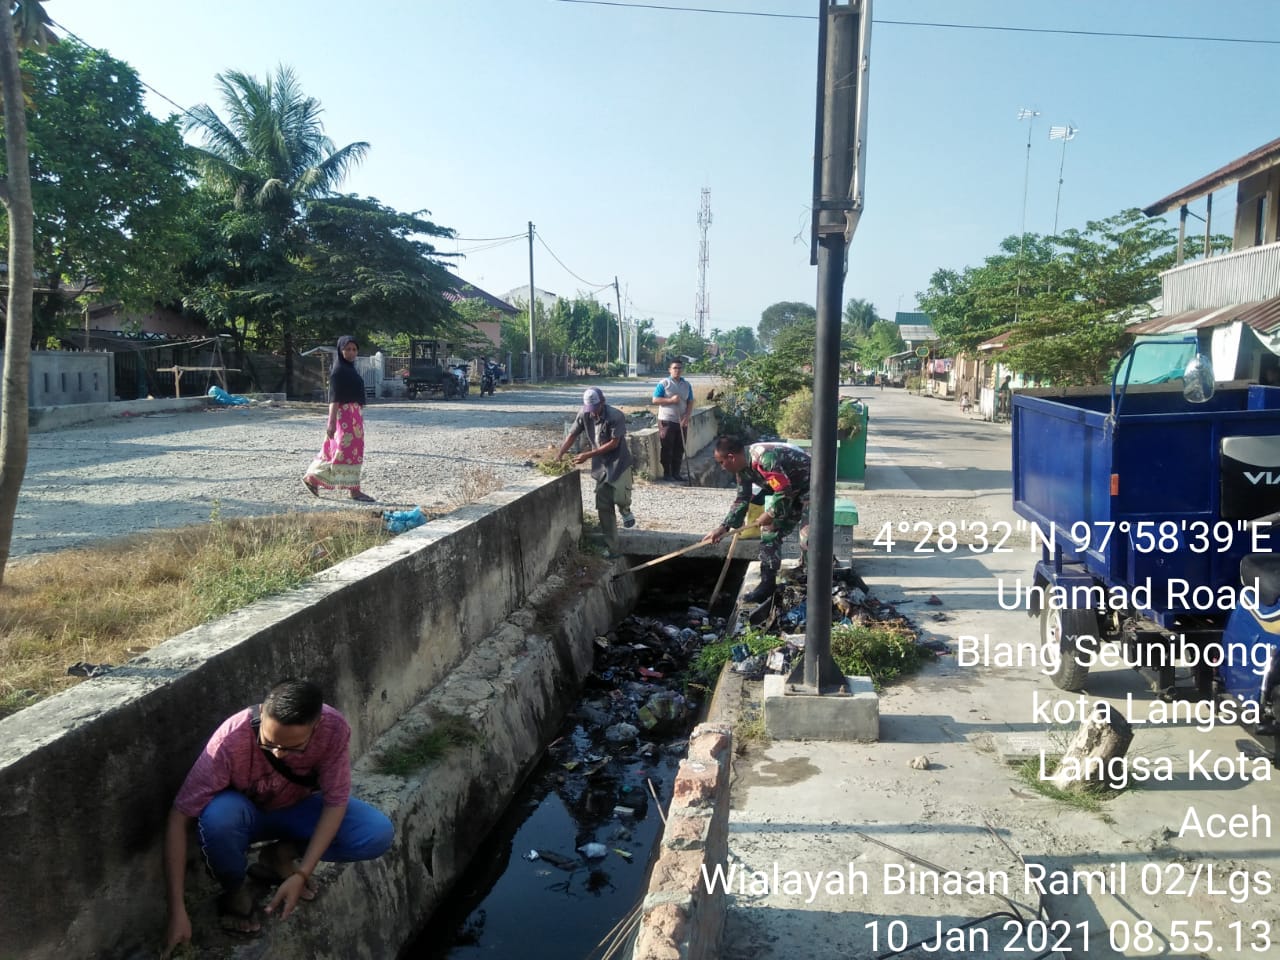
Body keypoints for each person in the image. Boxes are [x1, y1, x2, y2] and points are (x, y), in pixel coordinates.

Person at [162, 679, 393, 954]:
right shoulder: (229, 739)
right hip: (246, 817)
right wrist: (176, 909)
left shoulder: (333, 729)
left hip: (298, 808)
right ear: (262, 716)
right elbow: (180, 816)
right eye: (268, 743)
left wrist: (302, 872)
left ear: (316, 728)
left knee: (376, 833)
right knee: (218, 818)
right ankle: (235, 889)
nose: (278, 753)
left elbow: (335, 803)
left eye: (292, 747)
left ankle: (279, 855)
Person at [702, 435, 811, 603]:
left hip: (812, 485)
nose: (722, 468)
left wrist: (770, 513)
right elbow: (742, 498)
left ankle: (814, 580)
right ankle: (767, 585)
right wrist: (724, 527)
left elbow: (783, 490)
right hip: (790, 490)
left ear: (731, 457)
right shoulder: (742, 469)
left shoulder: (764, 458)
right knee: (769, 531)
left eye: (721, 462)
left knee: (809, 535)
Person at [557, 387, 636, 557]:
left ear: (603, 402)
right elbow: (572, 435)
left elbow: (614, 443)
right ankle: (612, 548)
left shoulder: (616, 416)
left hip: (619, 462)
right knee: (604, 506)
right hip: (601, 466)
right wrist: (560, 454)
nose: (592, 413)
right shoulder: (584, 414)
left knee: (620, 497)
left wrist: (588, 455)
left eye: (595, 409)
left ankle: (625, 510)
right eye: (589, 409)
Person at [303, 335, 375, 502]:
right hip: (344, 418)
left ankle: (314, 478)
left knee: (344, 451)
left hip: (354, 418)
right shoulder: (339, 372)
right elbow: (334, 399)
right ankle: (353, 491)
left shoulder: (351, 369)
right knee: (343, 452)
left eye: (354, 349)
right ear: (340, 350)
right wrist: (331, 423)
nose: (351, 352)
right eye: (347, 349)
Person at [652, 359, 694, 481]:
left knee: (679, 448)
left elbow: (690, 401)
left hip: (682, 421)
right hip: (667, 420)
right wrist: (670, 401)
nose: (677, 370)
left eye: (679, 368)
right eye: (675, 368)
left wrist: (687, 416)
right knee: (667, 447)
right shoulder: (664, 383)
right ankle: (667, 474)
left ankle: (676, 473)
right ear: (670, 370)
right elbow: (655, 400)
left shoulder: (686, 385)